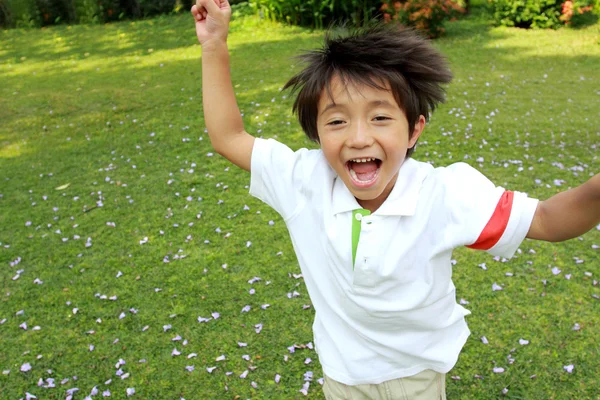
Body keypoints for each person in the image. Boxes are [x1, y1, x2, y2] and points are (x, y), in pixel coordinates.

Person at [191, 0, 600, 398]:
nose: (358, 137)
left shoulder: (444, 194)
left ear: (414, 129)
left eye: (381, 117)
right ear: (316, 133)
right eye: (336, 121)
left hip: (416, 379)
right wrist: (213, 45)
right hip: (342, 379)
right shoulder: (303, 180)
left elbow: (547, 221)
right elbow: (228, 138)